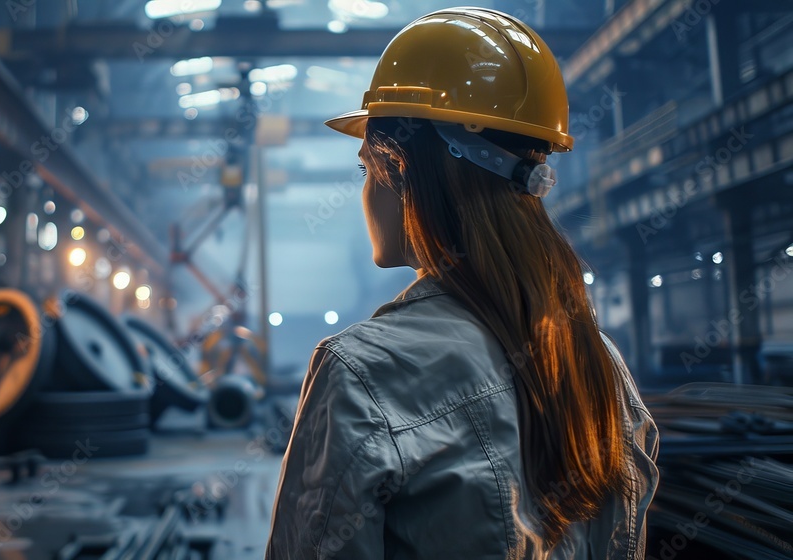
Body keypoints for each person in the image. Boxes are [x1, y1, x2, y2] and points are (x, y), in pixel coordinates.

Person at [265, 8, 659, 560]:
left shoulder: (362, 372)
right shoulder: (600, 364)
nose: (364, 191)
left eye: (365, 170)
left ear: (402, 169)